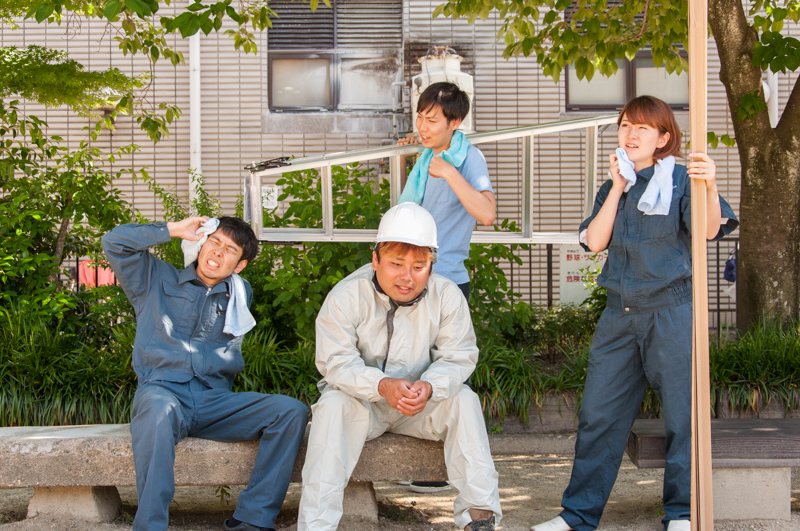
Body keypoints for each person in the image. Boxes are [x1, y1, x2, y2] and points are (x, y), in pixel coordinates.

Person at [530, 96, 739, 531]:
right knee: (598, 415)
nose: (631, 133)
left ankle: (681, 512)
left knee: (682, 415)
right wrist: (617, 186)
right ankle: (577, 515)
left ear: (663, 138)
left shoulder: (682, 179)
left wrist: (711, 184)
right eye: (626, 125)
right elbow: (594, 242)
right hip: (619, 317)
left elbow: (708, 230)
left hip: (671, 312)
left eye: (643, 127)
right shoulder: (615, 184)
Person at [297, 202, 502, 531]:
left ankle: (479, 518)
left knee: (464, 400)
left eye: (419, 266)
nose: (407, 276)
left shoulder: (447, 296)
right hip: (363, 404)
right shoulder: (347, 295)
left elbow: (458, 355)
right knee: (332, 407)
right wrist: (380, 386)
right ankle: (316, 527)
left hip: (420, 405)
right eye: (396, 263)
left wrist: (431, 386)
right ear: (375, 259)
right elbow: (335, 361)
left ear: (431, 267)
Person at [102, 216, 308, 531]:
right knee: (157, 411)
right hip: (163, 393)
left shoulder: (239, 294)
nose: (218, 252)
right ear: (202, 242)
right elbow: (114, 242)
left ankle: (253, 519)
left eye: (230, 250)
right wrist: (172, 230)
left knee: (290, 411)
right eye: (214, 241)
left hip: (214, 402)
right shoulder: (155, 278)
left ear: (240, 265)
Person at [399, 81, 496, 300]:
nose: (422, 127)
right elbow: (410, 211)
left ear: (455, 122)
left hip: (447, 282)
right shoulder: (426, 158)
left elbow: (487, 214)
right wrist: (403, 159)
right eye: (420, 117)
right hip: (412, 277)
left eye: (432, 120)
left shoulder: (469, 157)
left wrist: (449, 172)